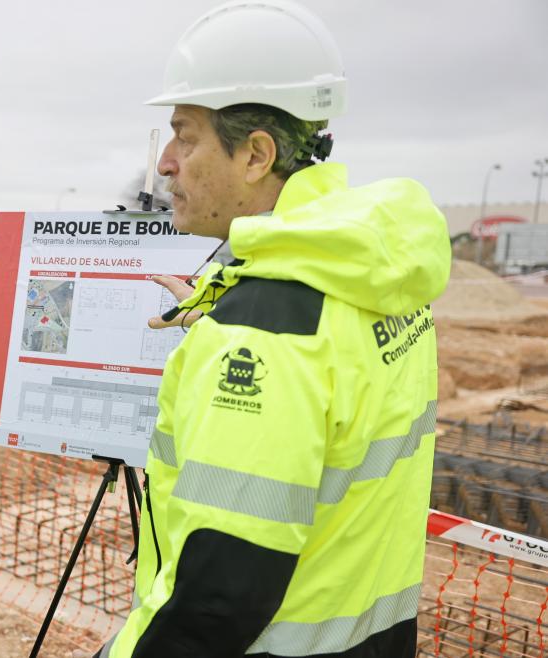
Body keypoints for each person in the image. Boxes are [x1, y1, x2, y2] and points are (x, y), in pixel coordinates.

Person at [98, 1, 450, 655]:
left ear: (256, 154)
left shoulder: (267, 330)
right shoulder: (369, 273)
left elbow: (216, 601)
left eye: (186, 135)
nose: (166, 162)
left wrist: (241, 336)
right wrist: (230, 321)